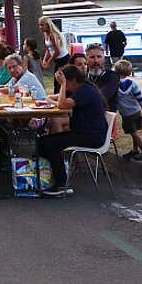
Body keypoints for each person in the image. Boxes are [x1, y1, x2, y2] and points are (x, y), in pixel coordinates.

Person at [34, 65, 108, 198]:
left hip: (93, 136)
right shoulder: (76, 90)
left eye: (64, 83)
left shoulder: (85, 91)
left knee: (52, 144)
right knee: (43, 141)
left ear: (73, 81)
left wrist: (62, 86)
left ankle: (62, 184)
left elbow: (62, 104)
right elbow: (51, 98)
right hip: (81, 132)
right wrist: (60, 95)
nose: (63, 86)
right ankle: (47, 175)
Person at [113, 60, 142, 161]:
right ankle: (135, 151)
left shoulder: (114, 85)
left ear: (116, 71)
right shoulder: (133, 84)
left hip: (126, 114)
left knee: (133, 133)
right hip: (136, 112)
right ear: (129, 73)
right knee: (134, 132)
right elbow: (140, 99)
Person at [84, 44, 120, 111]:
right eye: (92, 57)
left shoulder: (112, 77)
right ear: (86, 60)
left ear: (103, 59)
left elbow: (100, 97)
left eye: (99, 57)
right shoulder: (84, 77)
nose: (96, 61)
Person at [38, 17, 68, 88]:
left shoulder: (53, 35)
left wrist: (49, 62)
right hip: (57, 59)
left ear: (48, 25)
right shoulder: (45, 34)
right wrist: (45, 59)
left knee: (59, 79)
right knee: (56, 80)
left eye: (42, 25)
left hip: (63, 59)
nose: (40, 27)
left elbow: (57, 51)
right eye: (39, 25)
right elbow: (48, 49)